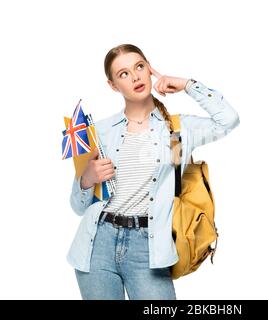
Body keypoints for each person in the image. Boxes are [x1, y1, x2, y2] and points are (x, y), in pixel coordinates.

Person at [67, 43, 240, 300]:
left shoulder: (178, 130)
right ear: (113, 85)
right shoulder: (100, 131)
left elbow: (228, 119)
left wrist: (187, 85)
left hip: (149, 246)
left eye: (139, 67)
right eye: (123, 74)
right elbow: (78, 206)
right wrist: (86, 180)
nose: (135, 77)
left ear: (149, 69)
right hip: (97, 245)